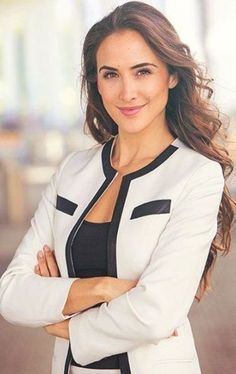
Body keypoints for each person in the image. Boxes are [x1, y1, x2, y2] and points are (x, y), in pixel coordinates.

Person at [0, 1, 235, 374]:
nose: (127, 92)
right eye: (111, 75)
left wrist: (66, 319)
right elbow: (11, 294)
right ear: (97, 82)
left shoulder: (196, 175)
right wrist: (104, 289)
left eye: (143, 71)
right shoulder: (72, 171)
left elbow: (156, 313)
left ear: (171, 76)